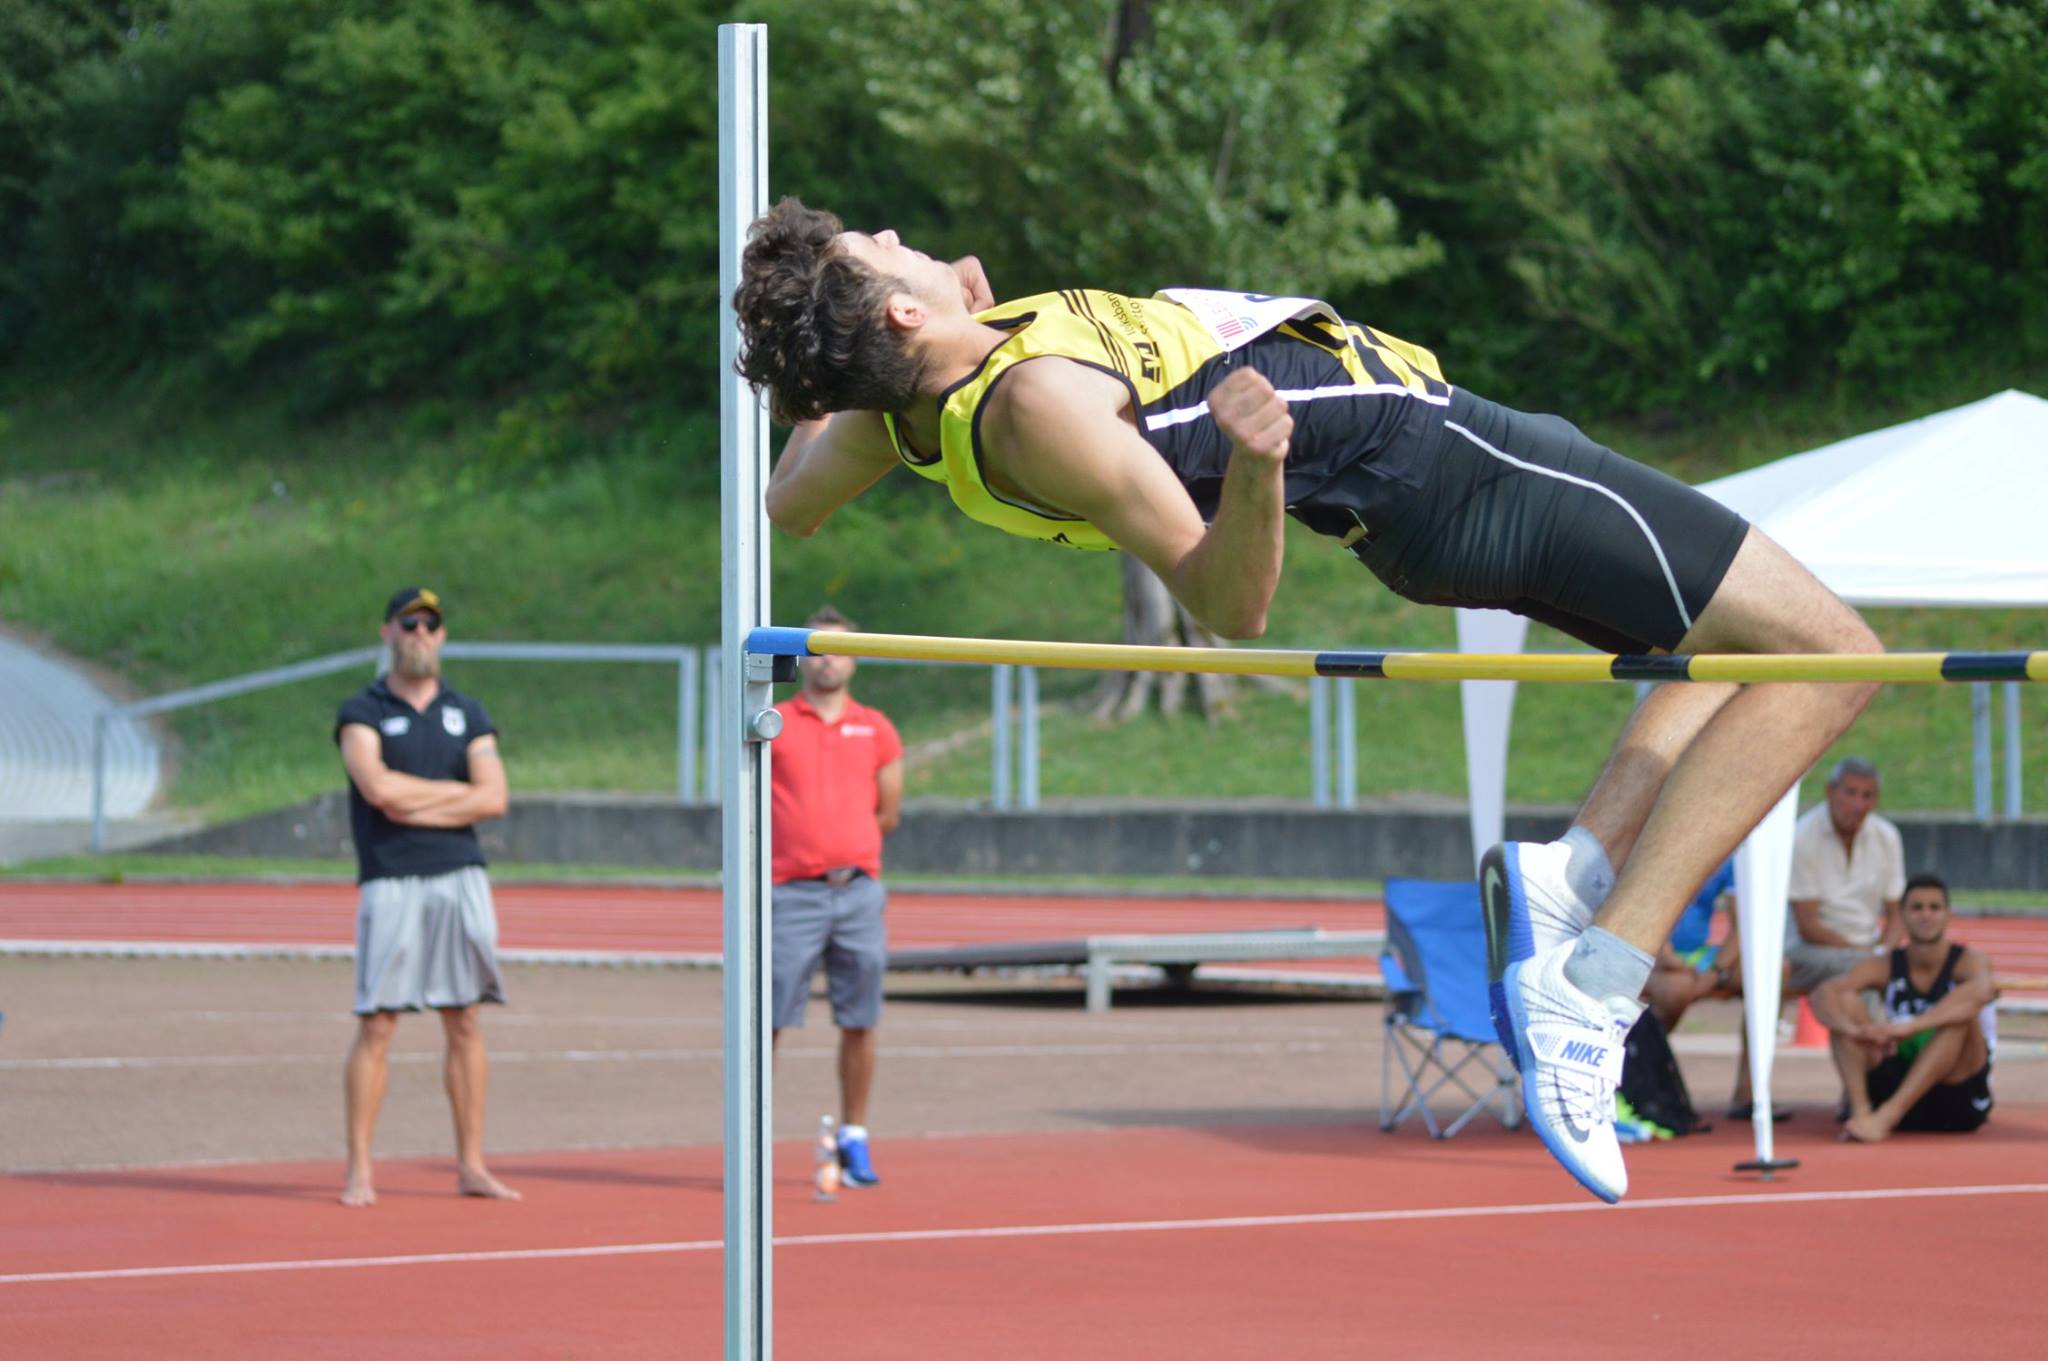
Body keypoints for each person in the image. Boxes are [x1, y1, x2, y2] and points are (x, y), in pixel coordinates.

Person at [733, 199, 1881, 1201]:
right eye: (878, 248)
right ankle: (1597, 983)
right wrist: (1255, 463)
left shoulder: (904, 410)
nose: (897, 233)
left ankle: (1574, 867)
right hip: (1455, 472)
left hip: (1430, 476)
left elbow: (791, 501)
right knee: (1831, 659)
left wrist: (890, 340)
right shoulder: (1035, 404)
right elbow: (1227, 602)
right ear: (901, 314)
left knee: (1726, 648)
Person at [334, 587, 517, 1208]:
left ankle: (472, 1165)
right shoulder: (362, 709)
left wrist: (416, 801)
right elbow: (377, 789)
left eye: (430, 625)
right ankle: (360, 1170)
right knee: (379, 1023)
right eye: (409, 623)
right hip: (391, 876)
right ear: (387, 631)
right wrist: (453, 796)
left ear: (442, 636)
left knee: (464, 1019)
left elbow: (494, 797)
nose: (420, 634)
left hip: (459, 874)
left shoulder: (467, 710)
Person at [770, 604, 904, 1187]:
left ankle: (854, 1135)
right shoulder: (773, 720)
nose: (829, 661)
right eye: (818, 650)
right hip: (788, 893)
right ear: (803, 659)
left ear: (856, 660)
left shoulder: (876, 727)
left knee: (861, 1018)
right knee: (766, 1017)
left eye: (841, 650)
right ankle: (753, 1133)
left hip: (857, 892)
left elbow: (888, 812)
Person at [1812, 873, 1995, 1142]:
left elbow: (1983, 991)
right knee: (1845, 1002)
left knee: (1962, 1017)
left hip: (1955, 1096)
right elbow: (1823, 993)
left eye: (1934, 908)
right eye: (1916, 908)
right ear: (1902, 915)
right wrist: (1853, 1030)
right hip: (1896, 1080)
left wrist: (1910, 1027)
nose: (1926, 915)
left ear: (1948, 914)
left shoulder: (1970, 961)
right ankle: (1861, 1111)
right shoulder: (1884, 964)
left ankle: (1887, 1116)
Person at [1786, 756, 1904, 993]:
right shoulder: (1802, 836)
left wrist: (1885, 950)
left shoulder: (1887, 837)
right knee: (1867, 973)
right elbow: (1808, 927)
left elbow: (1897, 914)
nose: (1858, 804)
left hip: (1868, 948)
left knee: (1920, 964)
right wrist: (1866, 956)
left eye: (1867, 796)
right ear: (1830, 792)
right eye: (1850, 793)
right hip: (1809, 950)